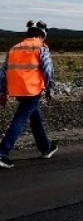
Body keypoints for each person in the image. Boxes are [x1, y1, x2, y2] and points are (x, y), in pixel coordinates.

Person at [0, 20, 58, 168]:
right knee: (20, 119)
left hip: (17, 90)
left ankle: (46, 148)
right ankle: (2, 153)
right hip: (32, 90)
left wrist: (3, 92)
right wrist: (50, 89)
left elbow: (3, 72)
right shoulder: (41, 47)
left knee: (34, 116)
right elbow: (48, 70)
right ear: (42, 35)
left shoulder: (14, 48)